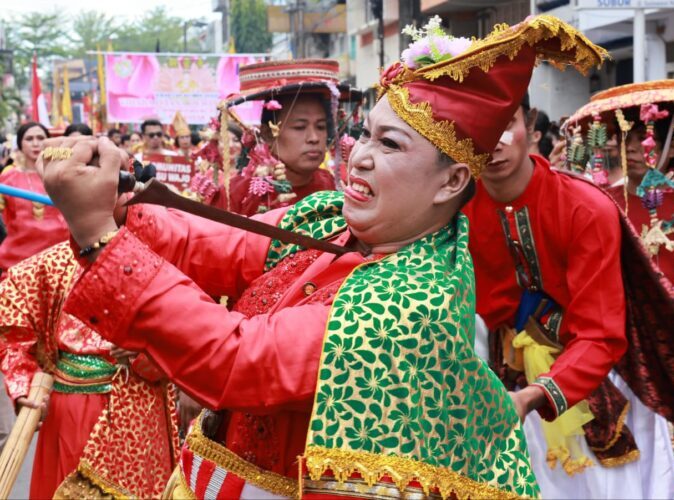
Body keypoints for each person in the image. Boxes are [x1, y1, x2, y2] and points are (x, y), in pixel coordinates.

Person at [37, 15, 605, 499]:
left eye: (389, 145)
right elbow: (228, 247)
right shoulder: (341, 215)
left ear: (451, 181)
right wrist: (121, 210)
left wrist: (97, 239)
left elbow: (241, 360)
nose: (356, 157)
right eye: (364, 133)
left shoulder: (411, 300)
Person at [464, 92, 674, 498]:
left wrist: (532, 395)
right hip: (498, 390)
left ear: (529, 125)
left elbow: (600, 334)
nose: (495, 142)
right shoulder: (452, 209)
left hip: (599, 382)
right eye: (479, 128)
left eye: (506, 124)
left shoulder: (585, 206)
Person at [0, 240, 180, 497]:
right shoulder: (51, 264)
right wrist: (24, 382)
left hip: (137, 409)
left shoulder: (159, 259)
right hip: (68, 410)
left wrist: (150, 347)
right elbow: (11, 324)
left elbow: (189, 335)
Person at [208, 59, 361, 216]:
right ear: (268, 133)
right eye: (300, 127)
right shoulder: (234, 196)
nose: (314, 138)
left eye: (320, 127)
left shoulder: (336, 189)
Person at [567, 80, 674, 285]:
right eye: (625, 138)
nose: (630, 148)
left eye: (644, 138)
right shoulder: (603, 204)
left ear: (671, 148)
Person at [0, 122, 69, 275]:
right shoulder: (7, 179)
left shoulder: (63, 176)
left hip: (60, 259)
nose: (36, 143)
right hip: (19, 261)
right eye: (29, 139)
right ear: (20, 144)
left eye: (40, 138)